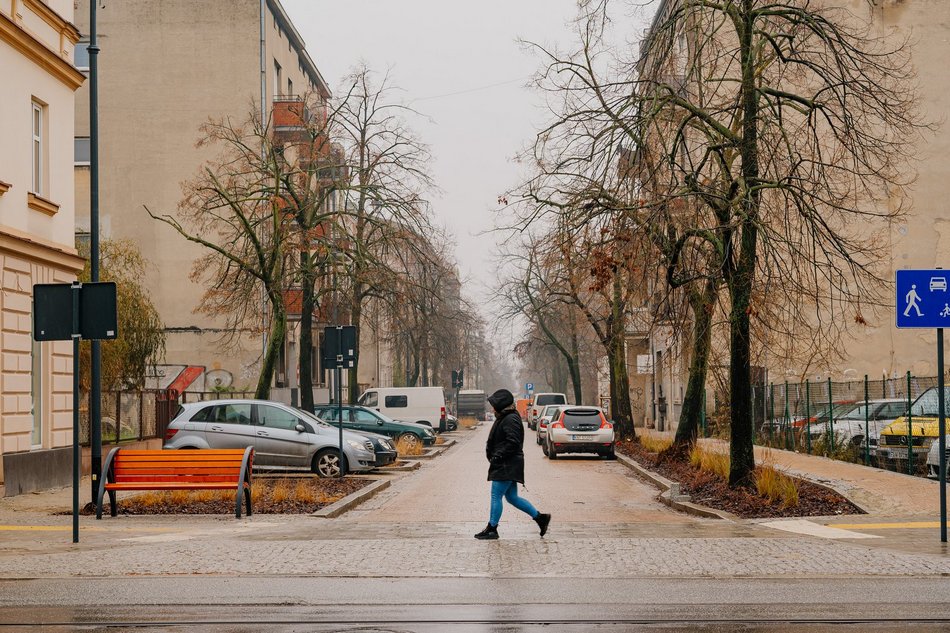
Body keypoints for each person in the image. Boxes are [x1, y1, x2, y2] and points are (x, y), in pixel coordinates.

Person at [474, 388, 551, 540]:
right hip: (508, 463)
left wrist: (498, 455)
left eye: (494, 404)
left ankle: (492, 528)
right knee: (512, 497)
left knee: (496, 495)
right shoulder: (507, 417)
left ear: (501, 405)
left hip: (506, 464)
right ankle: (540, 518)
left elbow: (513, 442)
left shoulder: (510, 419)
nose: (492, 407)